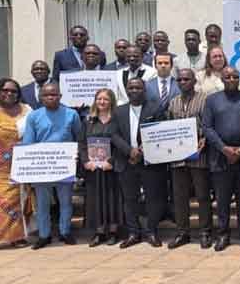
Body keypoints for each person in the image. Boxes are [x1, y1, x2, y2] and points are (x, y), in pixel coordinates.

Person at [21, 83, 82, 248]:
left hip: (64, 165)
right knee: (42, 204)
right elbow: (28, 142)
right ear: (41, 98)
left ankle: (65, 232)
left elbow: (79, 137)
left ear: (60, 96)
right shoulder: (33, 116)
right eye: (46, 95)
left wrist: (76, 156)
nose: (50, 98)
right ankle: (44, 235)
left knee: (66, 202)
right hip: (42, 167)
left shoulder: (72, 114)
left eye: (54, 95)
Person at [112, 78, 169, 249]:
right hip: (126, 161)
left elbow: (160, 132)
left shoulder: (155, 109)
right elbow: (113, 134)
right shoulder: (118, 111)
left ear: (144, 90)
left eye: (138, 88)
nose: (134, 90)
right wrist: (130, 151)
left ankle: (151, 231)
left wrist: (141, 151)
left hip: (149, 161)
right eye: (131, 88)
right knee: (130, 199)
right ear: (126, 90)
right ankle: (133, 233)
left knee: (153, 198)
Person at [203, 66, 240, 251]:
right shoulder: (211, 100)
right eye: (228, 77)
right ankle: (223, 234)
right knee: (222, 200)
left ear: (239, 79)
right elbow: (207, 127)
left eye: (235, 76)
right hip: (220, 157)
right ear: (222, 79)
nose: (232, 79)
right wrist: (224, 149)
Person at [167, 69, 211, 249]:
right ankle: (182, 233)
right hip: (178, 158)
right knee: (180, 197)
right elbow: (168, 127)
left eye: (186, 79)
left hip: (199, 155)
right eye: (180, 80)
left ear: (194, 81)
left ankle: (205, 232)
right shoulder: (173, 102)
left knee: (202, 196)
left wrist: (204, 139)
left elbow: (209, 124)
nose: (183, 82)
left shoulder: (205, 100)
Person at [79, 89, 123, 246]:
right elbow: (82, 143)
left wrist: (111, 161)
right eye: (99, 99)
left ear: (111, 101)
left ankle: (113, 231)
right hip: (93, 169)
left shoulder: (118, 120)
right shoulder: (88, 121)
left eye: (105, 99)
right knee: (95, 200)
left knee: (112, 199)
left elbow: (121, 144)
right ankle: (99, 232)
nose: (102, 102)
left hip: (111, 169)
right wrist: (86, 161)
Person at [0, 78, 31, 247]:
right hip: (0, 166)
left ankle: (16, 236)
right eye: (5, 90)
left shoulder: (27, 110)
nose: (9, 93)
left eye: (13, 91)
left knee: (18, 199)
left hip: (22, 163)